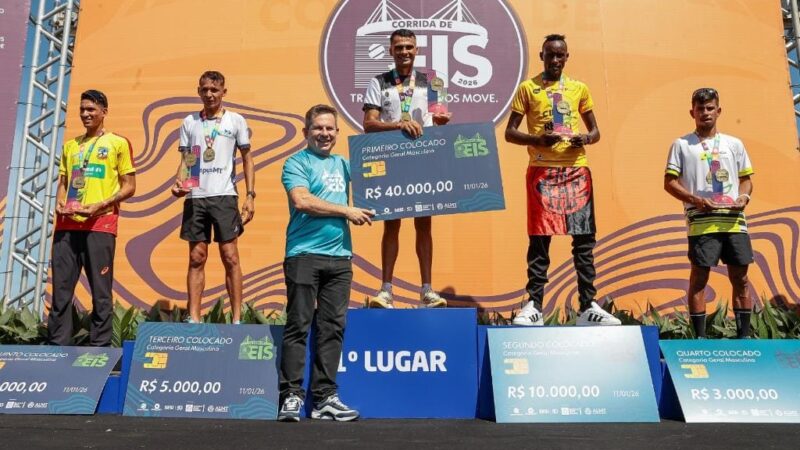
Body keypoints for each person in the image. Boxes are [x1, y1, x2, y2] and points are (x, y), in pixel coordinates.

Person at [504, 34, 620, 326]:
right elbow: (510, 132)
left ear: (567, 57)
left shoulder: (579, 88)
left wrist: (585, 138)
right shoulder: (527, 88)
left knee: (583, 241)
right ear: (541, 55)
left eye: (560, 56)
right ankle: (534, 306)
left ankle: (588, 306)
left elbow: (595, 132)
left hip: (576, 170)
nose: (555, 60)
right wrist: (537, 139)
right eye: (550, 55)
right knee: (540, 241)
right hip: (542, 171)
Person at [277, 104, 374, 422]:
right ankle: (290, 396)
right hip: (303, 255)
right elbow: (302, 201)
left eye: (330, 128)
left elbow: (383, 177)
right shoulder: (296, 162)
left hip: (341, 258)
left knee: (332, 329)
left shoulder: (345, 164)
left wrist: (426, 135)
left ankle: (325, 398)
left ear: (337, 132)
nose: (324, 133)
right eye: (318, 128)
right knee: (298, 326)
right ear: (306, 132)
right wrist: (346, 210)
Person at [362, 28, 451, 309]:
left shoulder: (434, 82)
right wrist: (399, 124)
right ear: (390, 51)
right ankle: (386, 290)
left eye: (409, 47)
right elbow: (369, 124)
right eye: (398, 47)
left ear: (417, 50)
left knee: (424, 225)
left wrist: (442, 122)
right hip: (392, 160)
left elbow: (439, 118)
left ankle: (427, 290)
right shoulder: (378, 82)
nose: (404, 52)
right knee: (391, 225)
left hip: (423, 160)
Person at [664, 88, 755, 339]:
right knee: (699, 278)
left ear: (718, 110)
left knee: (741, 279)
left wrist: (744, 197)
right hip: (702, 222)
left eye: (710, 108)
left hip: (734, 221)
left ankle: (744, 337)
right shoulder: (682, 145)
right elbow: (669, 183)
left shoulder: (734, 144)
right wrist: (695, 200)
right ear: (692, 111)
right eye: (700, 108)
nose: (705, 113)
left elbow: (746, 179)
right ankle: (700, 338)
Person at [48, 89, 136, 346]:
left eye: (91, 110)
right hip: (67, 225)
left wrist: (100, 204)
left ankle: (100, 349)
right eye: (82, 109)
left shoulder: (118, 143)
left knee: (100, 291)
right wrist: (59, 204)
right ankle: (56, 347)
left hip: (101, 224)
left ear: (104, 112)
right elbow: (63, 183)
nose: (85, 114)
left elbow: (129, 186)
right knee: (61, 291)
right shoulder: (70, 146)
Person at [170, 71, 254, 324]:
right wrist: (179, 182)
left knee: (230, 257)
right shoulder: (189, 122)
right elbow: (186, 161)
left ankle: (237, 319)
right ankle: (194, 317)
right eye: (205, 90)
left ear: (223, 92)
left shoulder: (236, 121)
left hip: (225, 196)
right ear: (198, 91)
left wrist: (250, 195)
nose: (209, 94)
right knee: (197, 257)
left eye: (214, 90)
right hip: (196, 197)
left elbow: (247, 159)